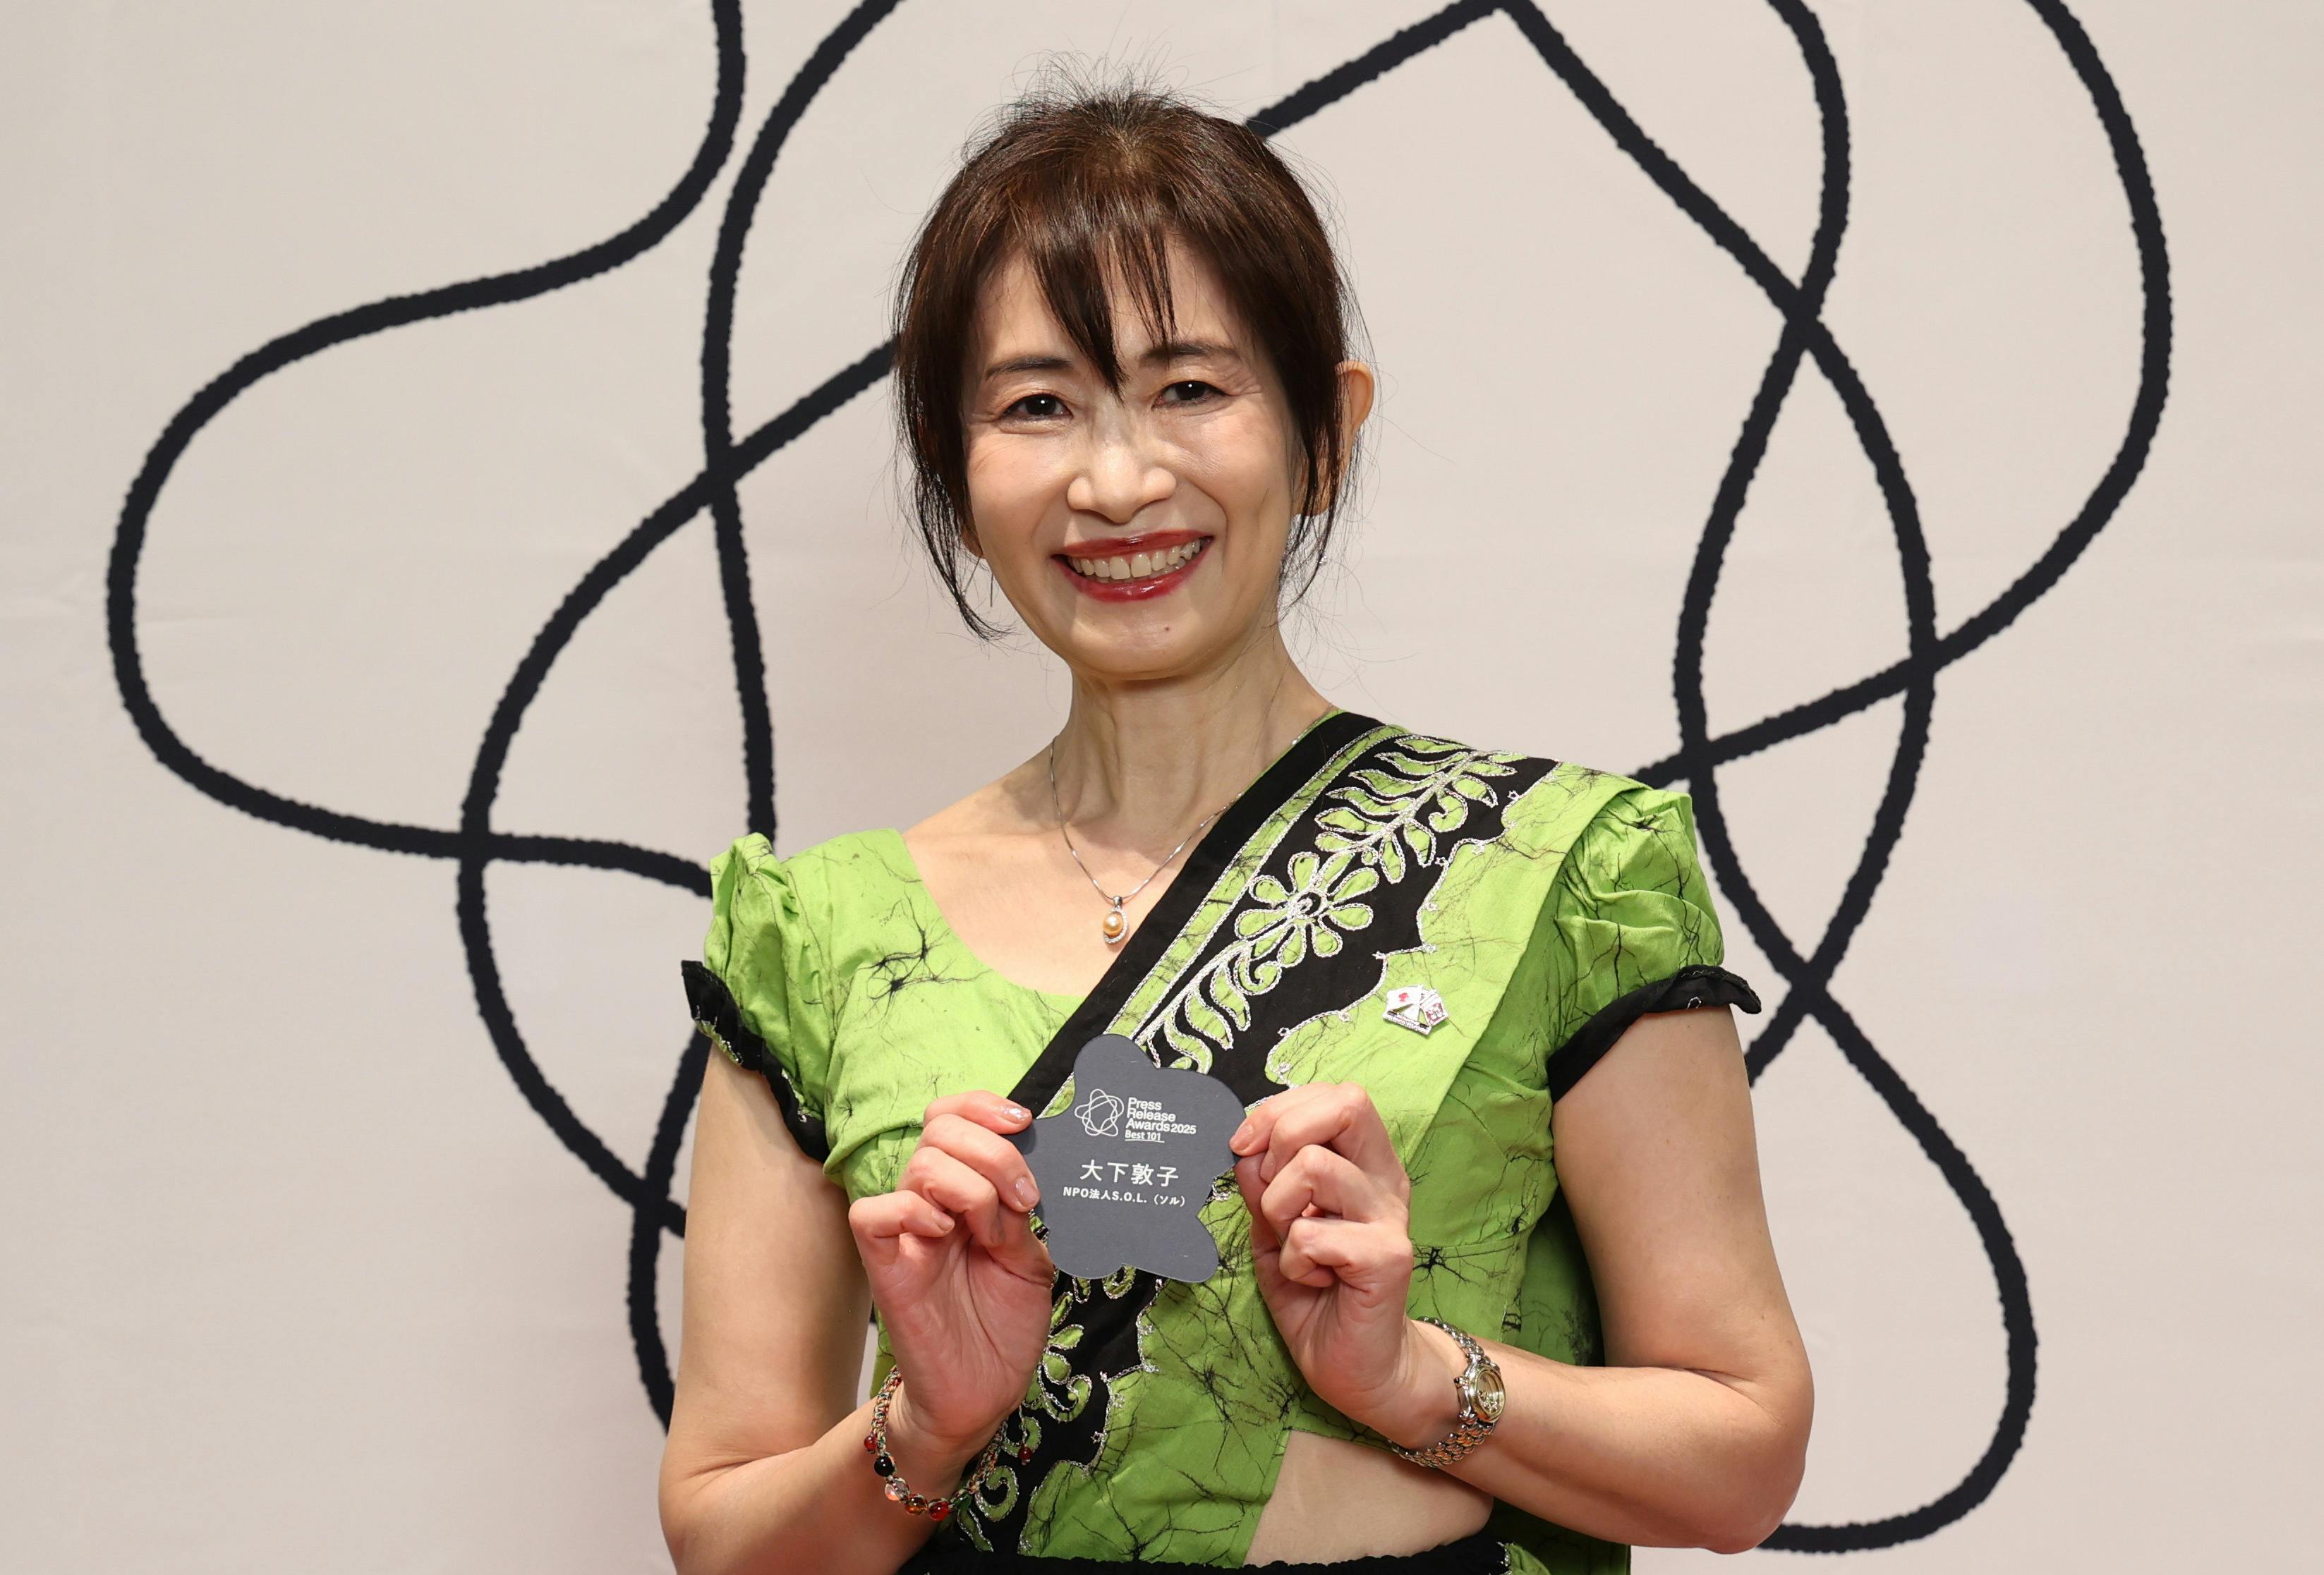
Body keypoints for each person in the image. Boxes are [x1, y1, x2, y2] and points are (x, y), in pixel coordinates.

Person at [657, 73, 1811, 1575]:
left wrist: (1410, 1377)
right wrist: (926, 1428)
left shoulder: (1556, 872)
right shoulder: (822, 938)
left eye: (1190, 389)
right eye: (1036, 405)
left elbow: (1740, 1463)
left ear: (1324, 432)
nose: (1117, 479)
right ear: (953, 463)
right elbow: (726, 1539)